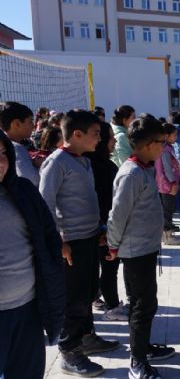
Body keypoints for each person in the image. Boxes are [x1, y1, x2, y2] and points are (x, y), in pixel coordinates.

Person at [39, 110, 119, 377]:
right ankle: (69, 351)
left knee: (87, 293)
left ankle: (86, 337)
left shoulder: (82, 161)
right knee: (73, 299)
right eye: (96, 134)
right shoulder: (57, 162)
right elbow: (45, 206)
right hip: (70, 244)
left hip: (89, 238)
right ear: (77, 135)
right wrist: (58, 241)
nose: (99, 139)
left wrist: (100, 229)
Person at [107, 117, 176, 379]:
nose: (164, 146)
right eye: (161, 142)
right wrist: (113, 246)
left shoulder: (146, 168)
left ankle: (144, 347)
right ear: (148, 145)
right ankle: (137, 361)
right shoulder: (131, 174)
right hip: (135, 252)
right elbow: (117, 215)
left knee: (147, 302)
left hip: (146, 249)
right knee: (141, 306)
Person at [0, 130, 65, 379]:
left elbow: (48, 235)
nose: (1, 162)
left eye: (3, 154)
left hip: (27, 310)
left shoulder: (23, 190)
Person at [84, 121, 128, 321]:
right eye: (110, 137)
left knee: (100, 267)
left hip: (97, 225)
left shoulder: (88, 162)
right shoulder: (98, 165)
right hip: (103, 225)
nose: (113, 141)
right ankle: (112, 306)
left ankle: (97, 297)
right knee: (109, 266)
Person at [0, 101, 40, 187]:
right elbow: (31, 180)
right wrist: (43, 166)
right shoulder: (16, 148)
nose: (33, 126)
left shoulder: (6, 145)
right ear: (17, 124)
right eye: (30, 122)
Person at [156, 123, 180, 244]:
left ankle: (166, 235)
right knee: (167, 210)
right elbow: (167, 168)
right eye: (174, 135)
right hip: (167, 185)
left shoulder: (166, 148)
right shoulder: (165, 150)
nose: (176, 137)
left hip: (164, 185)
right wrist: (173, 183)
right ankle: (167, 237)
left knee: (166, 210)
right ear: (166, 136)